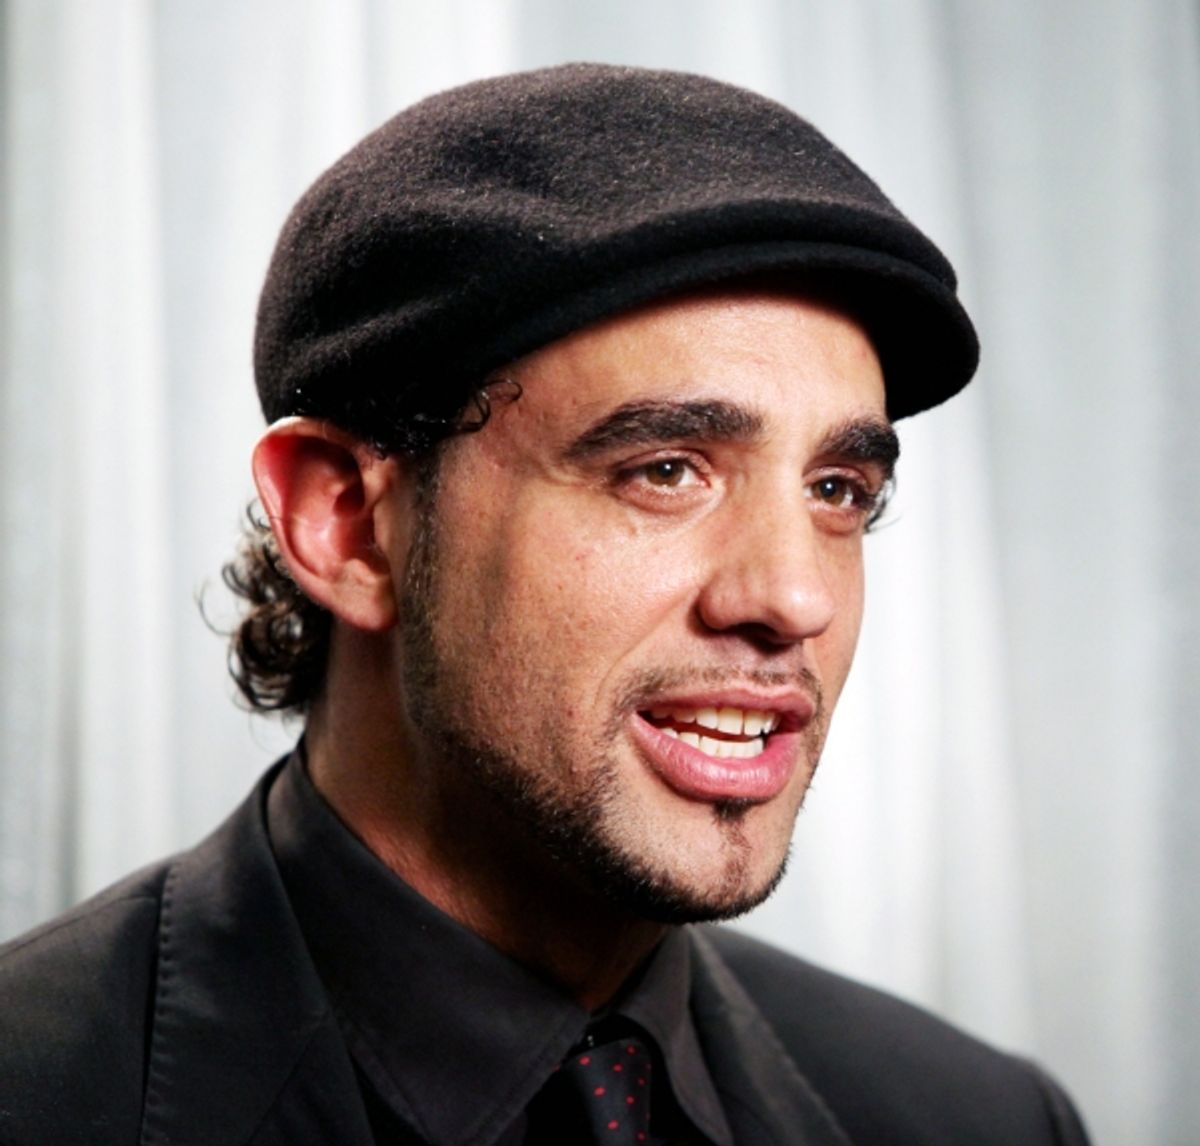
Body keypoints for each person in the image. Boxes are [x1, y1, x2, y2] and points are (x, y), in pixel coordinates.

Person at [0, 63, 1090, 1145]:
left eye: (838, 491)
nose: (794, 596)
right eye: (665, 470)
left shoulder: (979, 1117)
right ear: (345, 523)